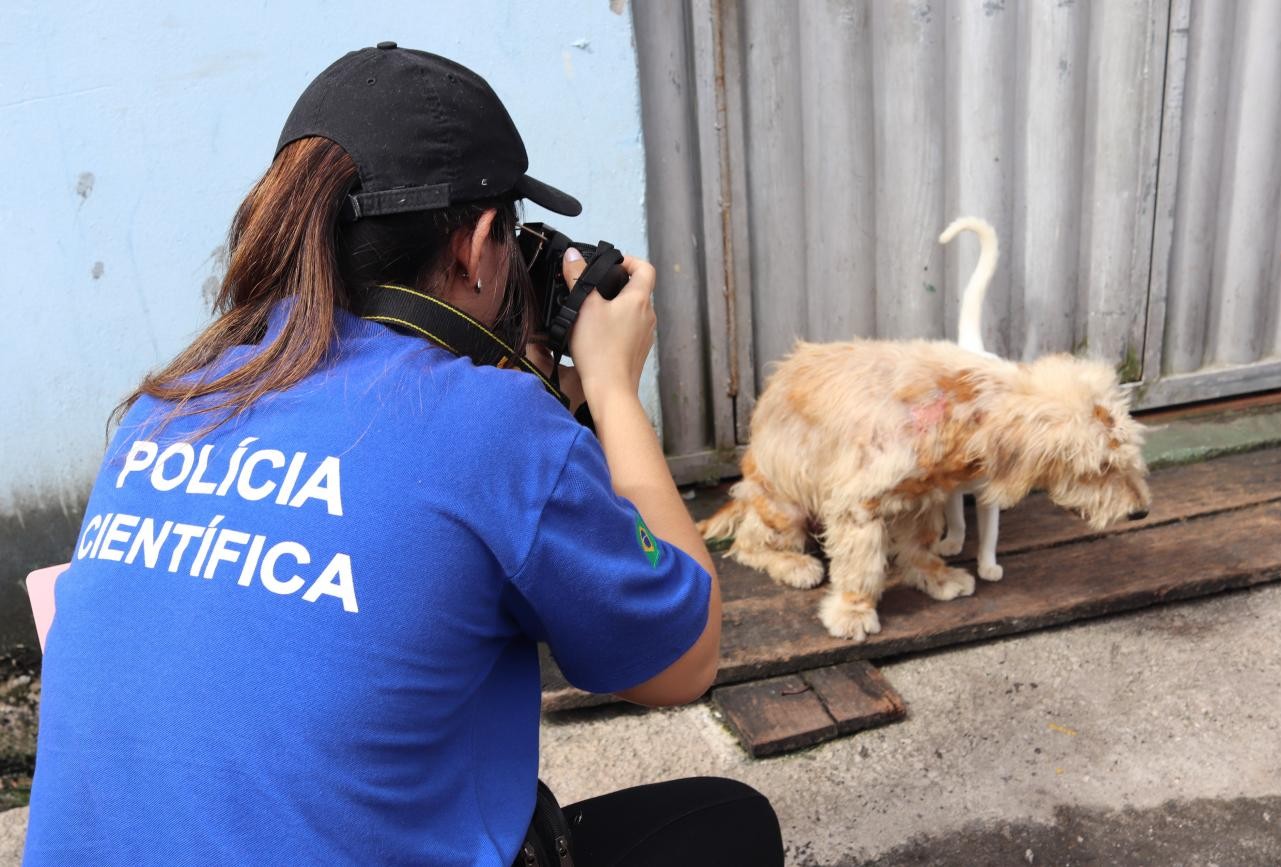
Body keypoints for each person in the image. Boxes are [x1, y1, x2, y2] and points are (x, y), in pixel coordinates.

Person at [24, 43, 783, 866]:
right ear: (479, 239)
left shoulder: (167, 403)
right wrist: (611, 390)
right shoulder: (492, 427)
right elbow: (682, 661)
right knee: (723, 824)